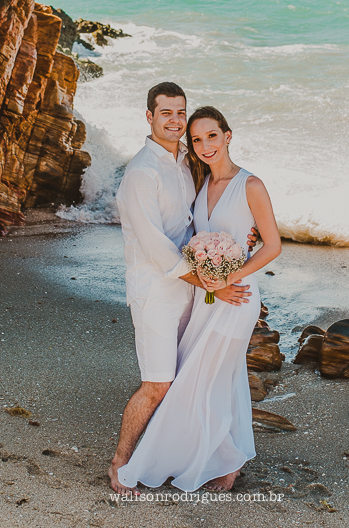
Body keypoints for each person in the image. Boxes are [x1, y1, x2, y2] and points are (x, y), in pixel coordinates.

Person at [116, 105, 282, 493]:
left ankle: (229, 463)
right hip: (206, 296)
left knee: (214, 378)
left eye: (212, 135)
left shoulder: (251, 185)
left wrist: (228, 276)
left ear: (228, 135)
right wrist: (210, 280)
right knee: (213, 377)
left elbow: (272, 245)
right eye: (197, 139)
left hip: (236, 297)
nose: (205, 145)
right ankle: (218, 456)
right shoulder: (200, 183)